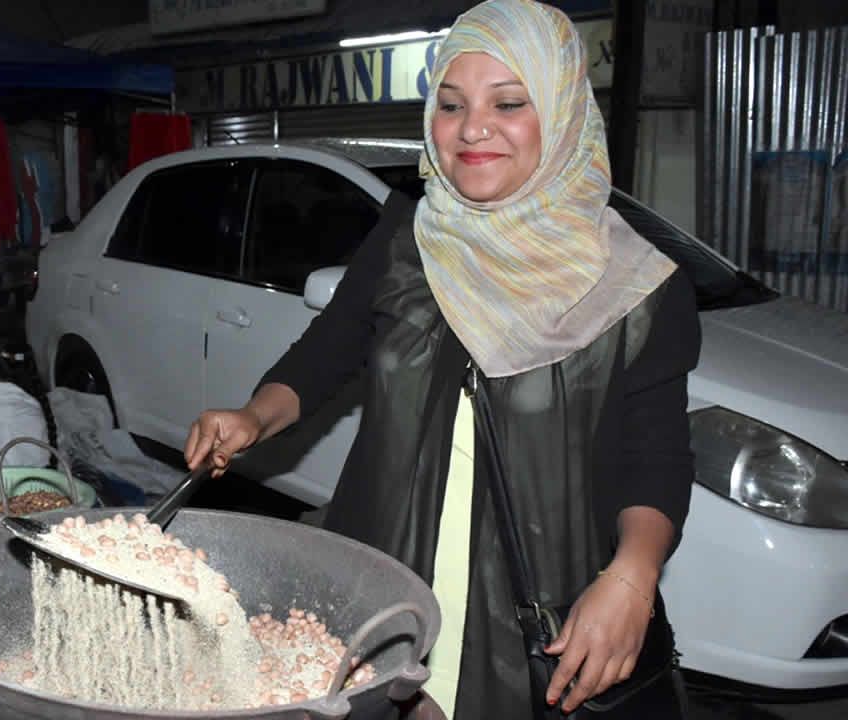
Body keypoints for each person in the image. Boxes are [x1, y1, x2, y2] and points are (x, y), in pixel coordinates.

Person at [183, 1, 700, 718]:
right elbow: (325, 355)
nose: (472, 128)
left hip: (539, 619)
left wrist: (633, 577)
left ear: (563, 113)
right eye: (451, 104)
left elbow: (658, 457)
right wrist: (252, 416)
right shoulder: (408, 239)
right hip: (386, 578)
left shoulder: (641, 288)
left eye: (509, 103)